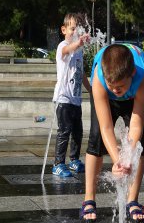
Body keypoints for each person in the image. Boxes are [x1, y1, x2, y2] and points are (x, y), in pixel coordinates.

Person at [80, 43, 144, 222]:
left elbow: (136, 124)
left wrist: (128, 157)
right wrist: (118, 161)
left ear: (132, 74)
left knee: (140, 145)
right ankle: (89, 199)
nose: (115, 91)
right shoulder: (99, 78)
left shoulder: (142, 78)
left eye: (119, 87)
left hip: (134, 96)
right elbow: (106, 127)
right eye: (112, 86)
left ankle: (132, 200)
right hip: (103, 96)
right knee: (96, 140)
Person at [52, 13, 91, 177]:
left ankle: (74, 159)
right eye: (72, 29)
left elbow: (81, 73)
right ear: (63, 30)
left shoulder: (79, 52)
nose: (75, 32)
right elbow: (67, 50)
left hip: (75, 99)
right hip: (63, 98)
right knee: (64, 131)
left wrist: (91, 90)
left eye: (78, 29)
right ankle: (58, 164)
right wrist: (78, 43)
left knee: (77, 131)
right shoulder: (63, 46)